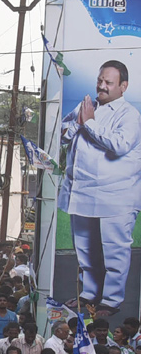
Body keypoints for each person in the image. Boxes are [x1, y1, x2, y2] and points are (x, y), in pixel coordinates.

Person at [59, 60, 141, 316]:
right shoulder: (87, 105)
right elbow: (62, 132)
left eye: (109, 83)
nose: (102, 86)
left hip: (115, 195)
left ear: (123, 86)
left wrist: (89, 123)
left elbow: (119, 145)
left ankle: (112, 300)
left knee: (114, 250)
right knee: (84, 249)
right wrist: (78, 123)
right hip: (81, 191)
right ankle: (89, 294)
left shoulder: (130, 115)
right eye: (100, 81)